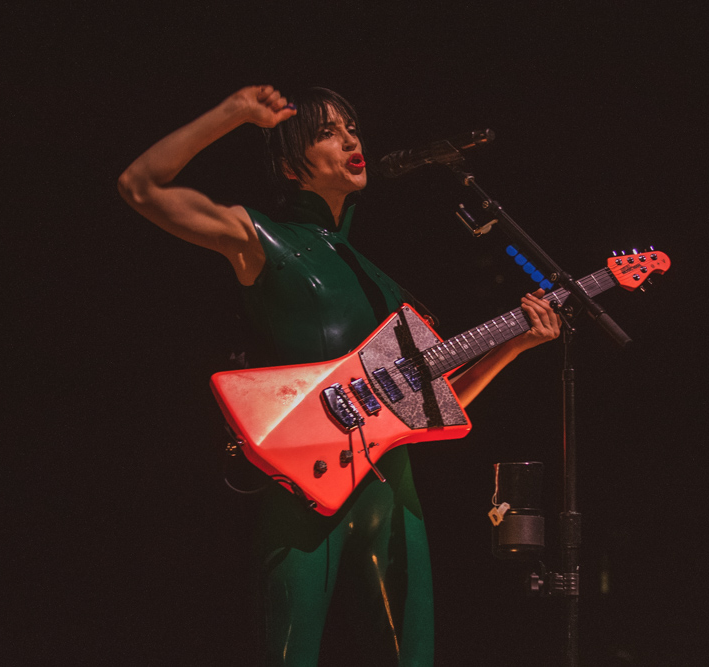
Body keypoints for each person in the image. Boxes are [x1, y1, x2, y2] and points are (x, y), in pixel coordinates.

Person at [118, 85, 560, 665]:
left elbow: (434, 403)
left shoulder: (382, 284)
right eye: (328, 132)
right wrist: (233, 114)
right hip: (302, 495)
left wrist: (517, 345)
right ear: (289, 167)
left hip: (392, 496)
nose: (352, 140)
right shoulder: (263, 240)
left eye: (352, 127)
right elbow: (141, 186)